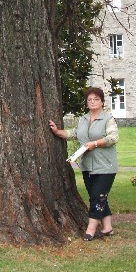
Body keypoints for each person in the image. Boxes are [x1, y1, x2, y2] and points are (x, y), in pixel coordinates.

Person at [49, 87, 119, 241]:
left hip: (106, 166)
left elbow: (113, 138)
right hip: (88, 166)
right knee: (99, 197)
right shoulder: (84, 119)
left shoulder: (108, 119)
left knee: (97, 197)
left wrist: (95, 143)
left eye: (96, 99)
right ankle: (108, 228)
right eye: (89, 100)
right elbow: (75, 133)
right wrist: (57, 132)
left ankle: (91, 229)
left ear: (101, 102)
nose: (92, 102)